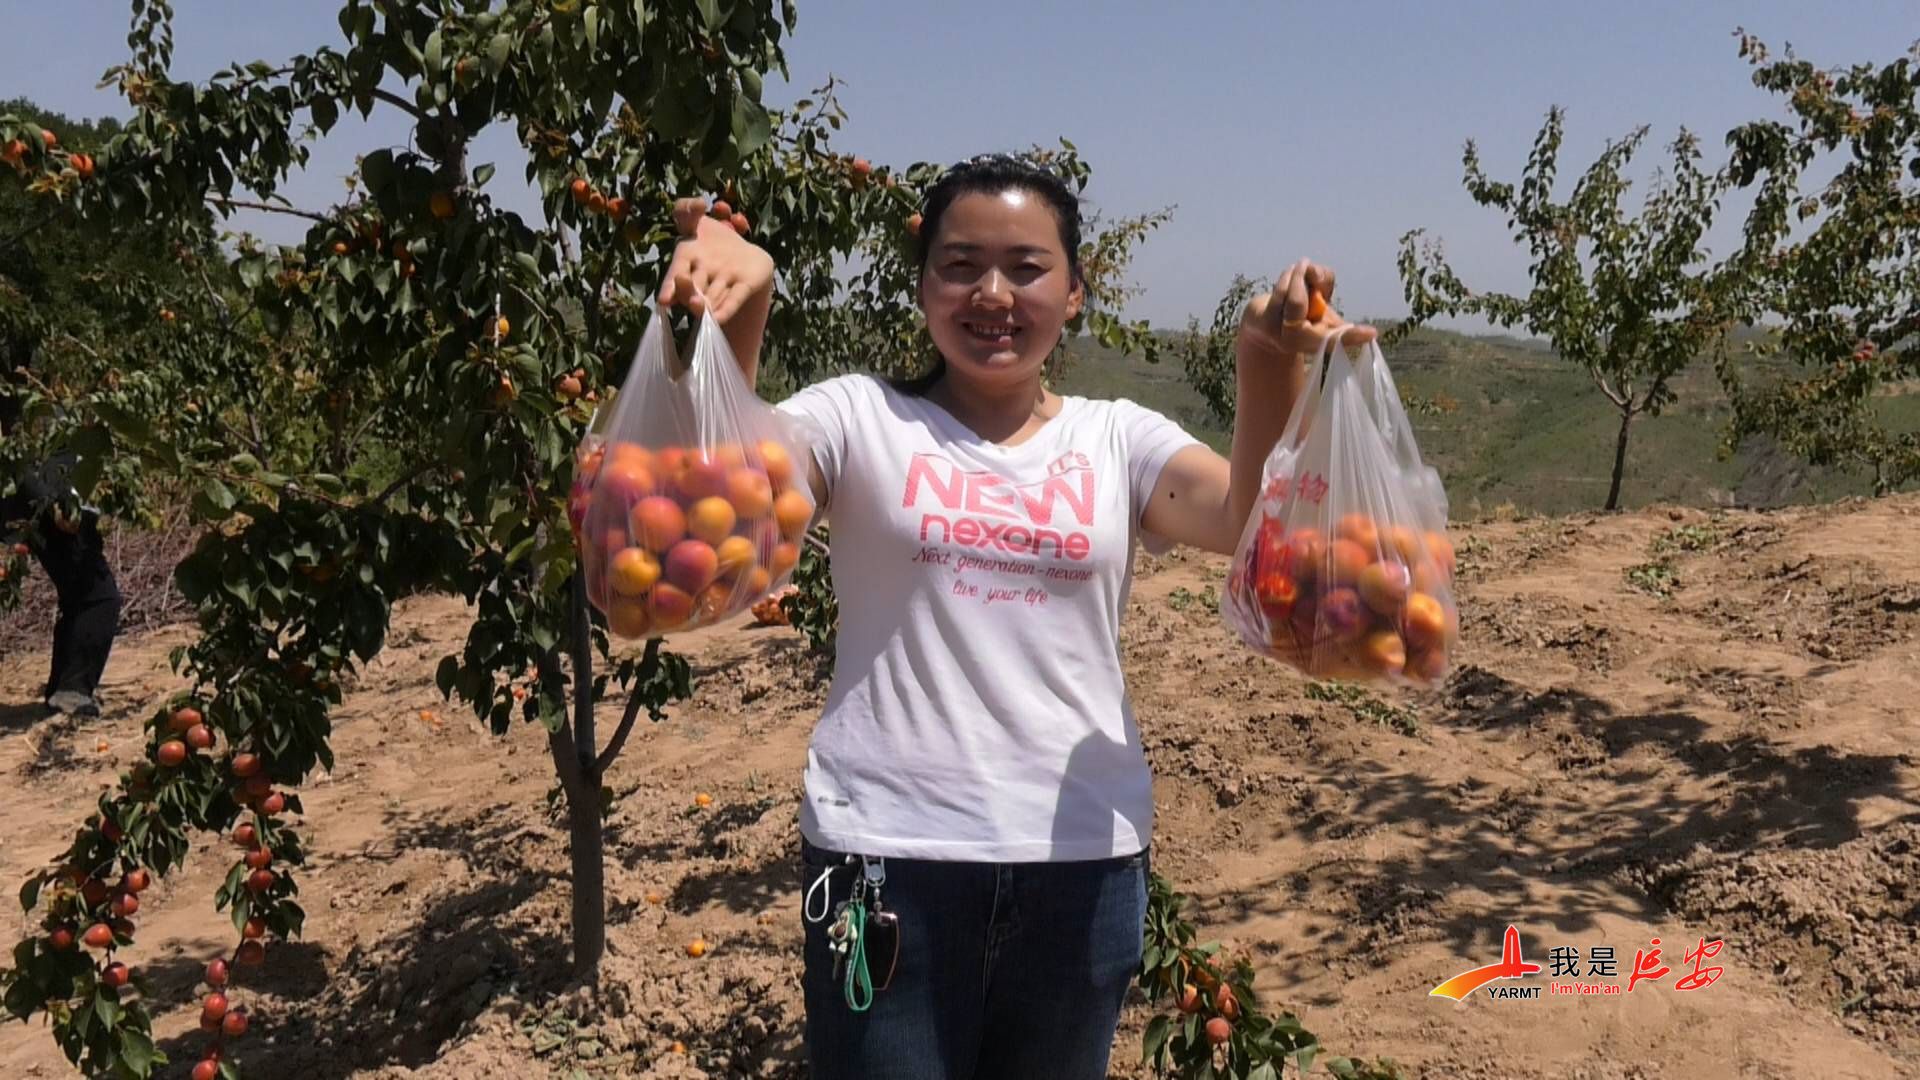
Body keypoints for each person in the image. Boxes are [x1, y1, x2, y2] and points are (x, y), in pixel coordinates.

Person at [655, 153, 1376, 1079]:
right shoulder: (858, 416)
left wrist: (1265, 356)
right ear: (921, 285)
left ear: (1075, 292)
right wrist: (735, 316)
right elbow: (732, 503)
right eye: (959, 265)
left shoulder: (1116, 438)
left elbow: (1246, 521)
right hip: (881, 860)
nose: (992, 293)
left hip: (1081, 863)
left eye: (1027, 268)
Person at [0, 450, 123, 719]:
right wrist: (52, 499)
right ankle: (71, 690)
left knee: (80, 597)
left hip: (58, 501)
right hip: (52, 503)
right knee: (98, 596)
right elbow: (23, 447)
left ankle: (65, 688)